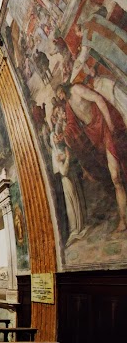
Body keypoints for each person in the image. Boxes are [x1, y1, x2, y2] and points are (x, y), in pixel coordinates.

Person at [56, 83, 127, 233]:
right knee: (115, 176)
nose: (60, 97)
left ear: (63, 89)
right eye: (59, 96)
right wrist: (63, 136)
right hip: (95, 134)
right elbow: (71, 125)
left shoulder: (77, 89)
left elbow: (99, 99)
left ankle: (123, 219)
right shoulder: (69, 104)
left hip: (105, 126)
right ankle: (124, 218)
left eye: (60, 93)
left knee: (116, 176)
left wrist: (110, 124)